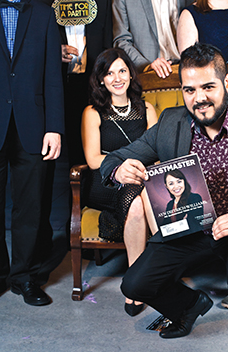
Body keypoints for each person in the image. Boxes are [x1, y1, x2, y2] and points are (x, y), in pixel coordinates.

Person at [100, 43, 228, 351]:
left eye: (208, 87)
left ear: (227, 83)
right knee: (134, 283)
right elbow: (113, 158)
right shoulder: (170, 122)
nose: (198, 98)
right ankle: (188, 306)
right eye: (189, 90)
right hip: (190, 228)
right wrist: (117, 170)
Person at [0, 0, 64, 309]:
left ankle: (25, 277)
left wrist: (55, 127)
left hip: (33, 124)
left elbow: (52, 77)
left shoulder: (45, 14)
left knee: (31, 208)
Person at [24, 0, 113, 166]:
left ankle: (84, 202)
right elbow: (24, 43)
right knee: (47, 156)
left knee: (86, 152)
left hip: (90, 85)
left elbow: (106, 39)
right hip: (48, 86)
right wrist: (53, 51)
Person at [81, 48, 157, 316]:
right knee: (137, 197)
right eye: (109, 72)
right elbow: (92, 158)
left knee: (138, 202)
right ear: (101, 79)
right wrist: (121, 167)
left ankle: (136, 283)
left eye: (122, 70)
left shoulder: (146, 108)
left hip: (141, 179)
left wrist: (139, 170)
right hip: (107, 182)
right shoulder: (93, 112)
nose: (117, 77)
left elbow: (157, 152)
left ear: (130, 74)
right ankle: (156, 275)